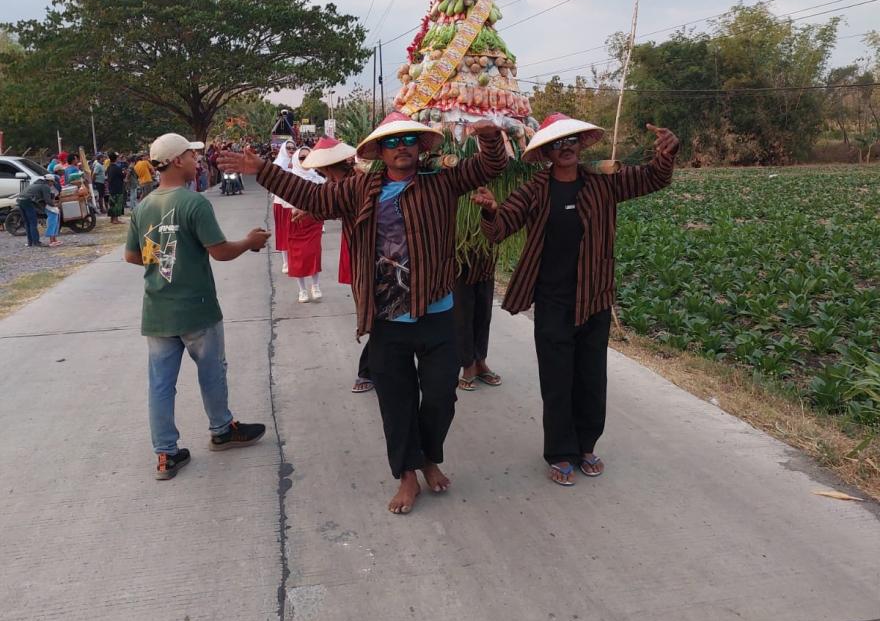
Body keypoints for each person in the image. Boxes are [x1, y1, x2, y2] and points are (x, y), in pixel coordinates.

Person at [218, 112, 507, 514]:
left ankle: (427, 455)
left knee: (442, 396)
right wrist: (262, 170)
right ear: (379, 152)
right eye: (392, 142)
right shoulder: (358, 189)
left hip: (437, 311)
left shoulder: (442, 180)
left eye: (408, 139)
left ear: (421, 146)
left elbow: (491, 165)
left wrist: (491, 137)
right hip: (386, 317)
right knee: (396, 400)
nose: (401, 147)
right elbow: (314, 199)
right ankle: (408, 473)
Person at [474, 114, 680, 487]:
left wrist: (666, 154)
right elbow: (501, 227)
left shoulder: (604, 181)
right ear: (548, 153)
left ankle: (586, 446)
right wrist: (490, 210)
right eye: (556, 144)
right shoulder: (536, 188)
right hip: (553, 300)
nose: (565, 148)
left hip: (595, 296)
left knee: (591, 378)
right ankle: (559, 451)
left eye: (570, 141)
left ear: (581, 144)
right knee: (557, 380)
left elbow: (653, 178)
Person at [124, 132, 271, 480]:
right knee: (211, 372)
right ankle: (222, 430)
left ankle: (166, 454)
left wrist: (164, 258)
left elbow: (132, 255)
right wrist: (250, 242)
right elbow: (219, 251)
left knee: (160, 384)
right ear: (177, 161)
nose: (197, 161)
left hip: (157, 310)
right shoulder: (194, 203)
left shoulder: (144, 206)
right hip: (197, 308)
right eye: (191, 156)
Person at [302, 135, 373, 394]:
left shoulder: (358, 181)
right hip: (356, 249)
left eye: (324, 172)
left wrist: (311, 211)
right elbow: (330, 205)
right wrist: (311, 211)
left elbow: (333, 204)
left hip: (372, 254)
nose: (325, 178)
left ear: (331, 168)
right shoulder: (345, 181)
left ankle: (368, 370)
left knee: (375, 314)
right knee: (373, 314)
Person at [454, 244, 502, 392]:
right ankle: (468, 365)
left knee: (484, 310)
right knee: (463, 313)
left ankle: (480, 362)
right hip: (459, 252)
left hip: (486, 250)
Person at [286, 146, 324, 304]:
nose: (305, 161)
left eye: (308, 158)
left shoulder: (318, 178)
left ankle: (315, 286)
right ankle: (302, 290)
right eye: (302, 158)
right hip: (296, 219)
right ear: (296, 159)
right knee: (298, 256)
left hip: (314, 220)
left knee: (314, 253)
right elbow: (283, 200)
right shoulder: (290, 179)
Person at [271, 141, 296, 275]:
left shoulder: (298, 162)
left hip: (294, 204)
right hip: (280, 202)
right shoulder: (278, 164)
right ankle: (285, 261)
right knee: (282, 232)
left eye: (293, 148)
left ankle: (293, 259)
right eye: (288, 148)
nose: (291, 150)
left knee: (293, 233)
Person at [16, 176, 53, 247]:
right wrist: (54, 206)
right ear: (49, 181)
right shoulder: (45, 186)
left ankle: (30, 242)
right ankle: (36, 242)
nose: (52, 184)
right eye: (52, 182)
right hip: (27, 201)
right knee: (33, 222)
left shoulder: (35, 184)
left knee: (27, 222)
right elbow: (47, 200)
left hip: (20, 200)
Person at [106, 151, 126, 223]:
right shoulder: (117, 168)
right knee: (117, 203)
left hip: (111, 187)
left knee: (112, 203)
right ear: (116, 158)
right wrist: (125, 172)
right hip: (117, 187)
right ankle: (115, 219)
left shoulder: (109, 167)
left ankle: (112, 219)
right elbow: (122, 177)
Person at [44, 174, 62, 246]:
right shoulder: (45, 188)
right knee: (52, 222)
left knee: (56, 222)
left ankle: (54, 239)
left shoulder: (50, 187)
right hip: (48, 206)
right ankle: (51, 240)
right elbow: (48, 200)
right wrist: (54, 204)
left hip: (51, 206)